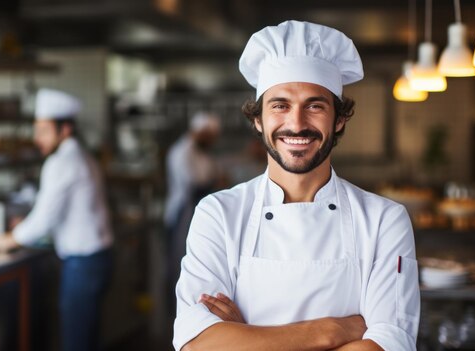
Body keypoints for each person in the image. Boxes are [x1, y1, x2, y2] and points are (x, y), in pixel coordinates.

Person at [173, 20, 420, 351]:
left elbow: (390, 343)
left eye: (315, 106)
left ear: (339, 118)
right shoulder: (218, 213)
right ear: (258, 119)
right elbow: (196, 344)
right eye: (280, 105)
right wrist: (332, 331)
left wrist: (245, 338)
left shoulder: (384, 220)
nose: (297, 123)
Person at [0, 88, 114, 351]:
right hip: (98, 258)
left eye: (43, 130)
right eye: (36, 129)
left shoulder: (61, 162)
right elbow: (59, 215)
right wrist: (27, 228)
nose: (36, 138)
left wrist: (6, 240)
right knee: (87, 339)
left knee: (76, 343)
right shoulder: (82, 156)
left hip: (82, 264)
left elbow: (43, 220)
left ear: (65, 130)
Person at [163, 111, 222, 315]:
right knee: (180, 265)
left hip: (196, 211)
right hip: (182, 213)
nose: (213, 141)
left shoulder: (201, 152)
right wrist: (215, 183)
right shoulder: (182, 152)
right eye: (210, 136)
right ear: (201, 132)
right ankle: (179, 313)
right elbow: (193, 187)